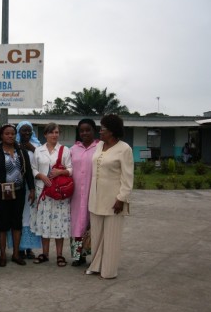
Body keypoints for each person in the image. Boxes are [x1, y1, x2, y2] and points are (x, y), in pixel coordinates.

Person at [85, 114, 134, 279]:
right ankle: (96, 265)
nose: (99, 132)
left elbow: (128, 178)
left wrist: (121, 199)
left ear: (112, 132)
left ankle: (109, 270)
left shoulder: (124, 149)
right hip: (96, 198)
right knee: (97, 235)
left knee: (112, 237)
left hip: (114, 200)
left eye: (103, 129)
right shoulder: (99, 145)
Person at [0, 124, 35, 267]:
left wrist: (31, 189)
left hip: (19, 192)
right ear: (1, 135)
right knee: (2, 224)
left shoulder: (21, 151)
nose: (10, 136)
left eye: (13, 133)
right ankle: (2, 255)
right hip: (1, 193)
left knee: (17, 223)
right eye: (7, 133)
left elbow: (29, 173)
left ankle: (15, 254)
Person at [31, 123, 72, 267]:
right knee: (44, 223)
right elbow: (33, 168)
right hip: (43, 191)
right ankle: (45, 253)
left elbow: (71, 169)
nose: (54, 135)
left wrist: (61, 172)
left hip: (59, 193)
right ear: (45, 134)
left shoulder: (64, 150)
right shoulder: (38, 150)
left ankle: (60, 255)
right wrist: (40, 175)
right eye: (51, 132)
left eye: (57, 132)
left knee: (59, 222)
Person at [7, 121, 42, 259]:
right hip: (19, 188)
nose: (26, 133)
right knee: (19, 216)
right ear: (18, 132)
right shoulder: (13, 147)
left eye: (29, 131)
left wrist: (32, 148)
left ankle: (29, 248)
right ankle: (19, 248)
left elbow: (45, 162)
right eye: (23, 131)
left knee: (31, 217)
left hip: (34, 188)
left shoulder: (38, 146)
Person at [69, 119, 99, 267]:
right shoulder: (73, 149)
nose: (85, 133)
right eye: (82, 130)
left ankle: (93, 256)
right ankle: (77, 256)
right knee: (76, 224)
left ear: (94, 130)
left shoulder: (100, 148)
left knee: (92, 224)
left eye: (88, 130)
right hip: (75, 195)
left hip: (93, 192)